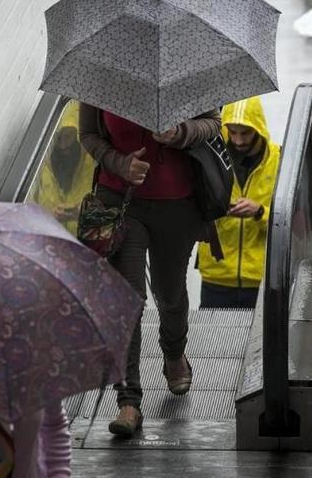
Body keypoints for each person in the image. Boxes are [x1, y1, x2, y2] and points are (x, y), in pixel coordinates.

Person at [79, 104, 221, 437]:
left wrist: (181, 132)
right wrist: (120, 163)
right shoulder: (103, 71)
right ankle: (128, 401)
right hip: (120, 201)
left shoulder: (192, 62)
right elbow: (87, 134)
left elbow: (213, 124)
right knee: (127, 300)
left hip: (180, 204)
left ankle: (174, 352)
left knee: (169, 294)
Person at [197, 97, 281, 309]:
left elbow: (297, 221)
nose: (238, 140)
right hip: (216, 276)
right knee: (214, 341)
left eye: (245, 133)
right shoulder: (211, 160)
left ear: (258, 128)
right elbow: (193, 208)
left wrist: (259, 211)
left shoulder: (280, 160)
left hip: (261, 279)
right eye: (232, 132)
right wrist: (218, 208)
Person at [32, 102, 96, 235]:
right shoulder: (39, 166)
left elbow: (110, 224)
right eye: (58, 138)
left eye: (68, 137)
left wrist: (82, 215)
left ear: (77, 133)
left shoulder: (93, 165)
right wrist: (48, 217)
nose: (62, 146)